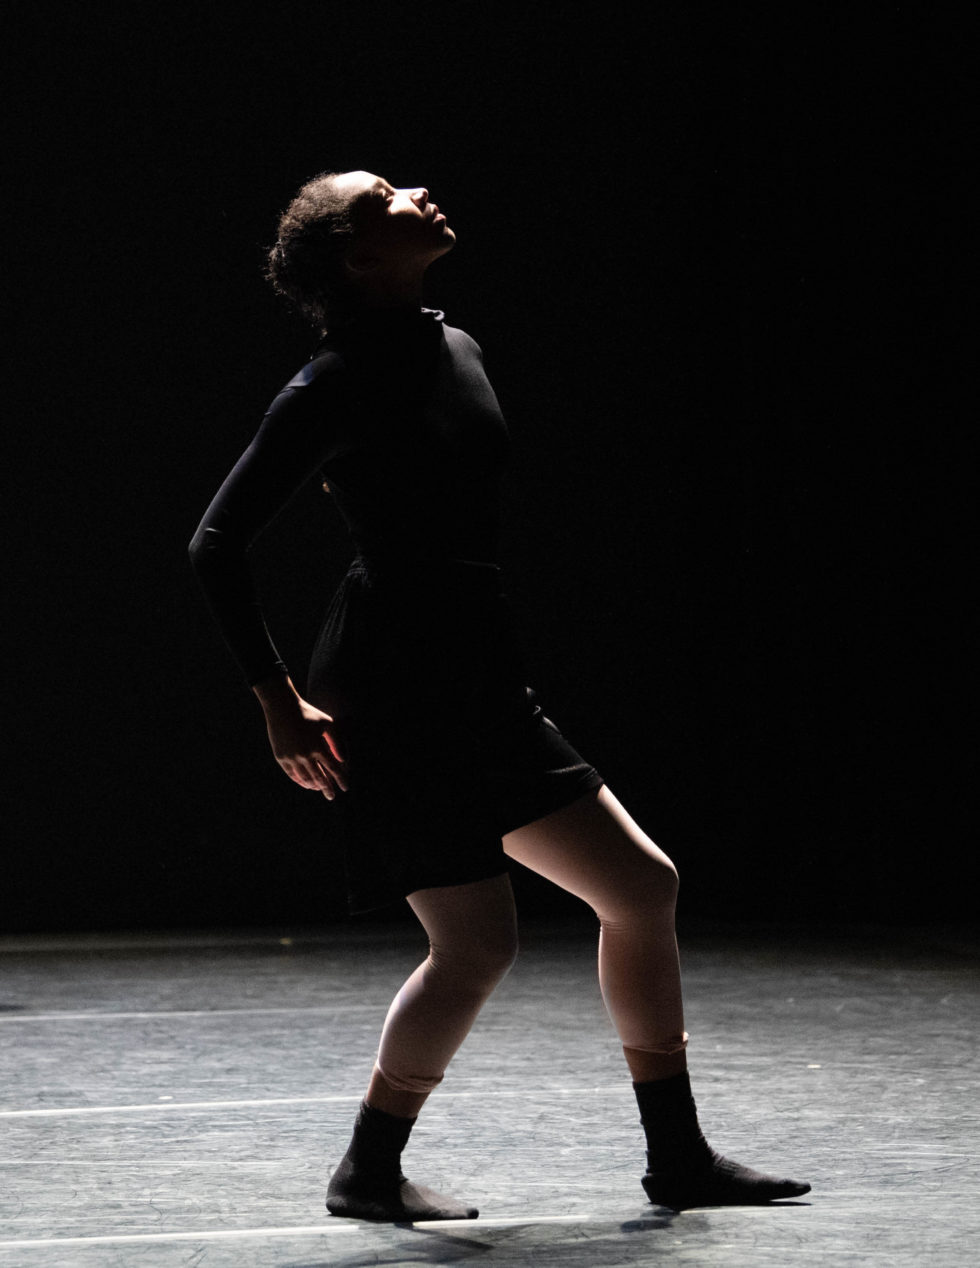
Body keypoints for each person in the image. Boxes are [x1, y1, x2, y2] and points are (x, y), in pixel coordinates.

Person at [188, 169, 810, 1222]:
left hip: (475, 667)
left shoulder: (456, 347)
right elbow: (215, 543)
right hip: (392, 682)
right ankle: (368, 1169)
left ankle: (677, 1155)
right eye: (384, 195)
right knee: (476, 944)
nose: (417, 191)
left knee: (639, 886)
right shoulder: (331, 382)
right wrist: (276, 698)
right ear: (359, 257)